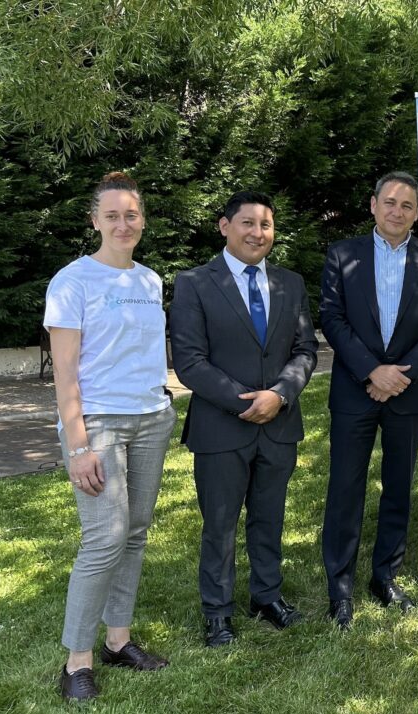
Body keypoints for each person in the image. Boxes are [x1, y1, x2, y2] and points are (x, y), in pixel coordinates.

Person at [45, 172, 176, 700]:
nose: (124, 224)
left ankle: (117, 641)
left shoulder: (149, 281)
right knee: (103, 538)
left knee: (136, 532)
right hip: (97, 423)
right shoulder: (72, 281)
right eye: (112, 215)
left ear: (141, 219)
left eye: (132, 214)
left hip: (151, 418)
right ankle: (76, 661)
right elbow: (65, 373)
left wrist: (163, 398)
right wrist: (77, 445)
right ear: (94, 221)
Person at [170, 191, 318, 648]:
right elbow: (190, 362)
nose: (258, 233)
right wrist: (246, 402)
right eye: (248, 223)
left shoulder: (290, 283)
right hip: (221, 428)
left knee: (269, 517)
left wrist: (279, 394)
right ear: (224, 226)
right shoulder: (194, 283)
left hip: (279, 424)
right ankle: (217, 612)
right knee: (219, 524)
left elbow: (305, 350)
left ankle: (266, 596)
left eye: (266, 225)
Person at [320, 171, 418, 628]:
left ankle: (385, 576)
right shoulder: (343, 255)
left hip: (408, 393)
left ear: (417, 214)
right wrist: (371, 371)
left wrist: (401, 375)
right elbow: (332, 319)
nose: (398, 212)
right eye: (390, 202)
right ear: (373, 204)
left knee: (398, 487)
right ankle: (339, 589)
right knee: (345, 489)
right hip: (355, 391)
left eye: (408, 206)